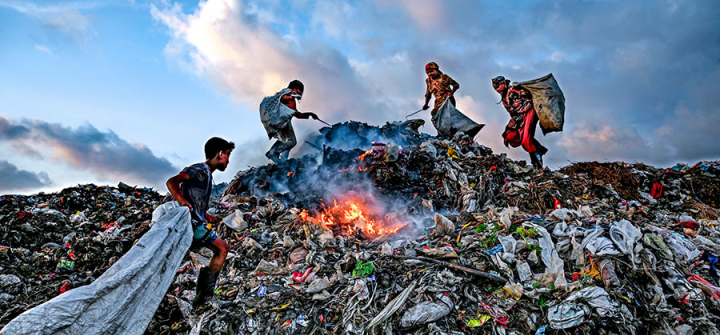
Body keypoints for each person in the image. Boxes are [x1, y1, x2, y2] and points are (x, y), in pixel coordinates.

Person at [166, 137, 234, 307]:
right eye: (227, 154)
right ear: (220, 154)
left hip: (194, 222)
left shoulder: (207, 174)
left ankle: (203, 297)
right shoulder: (200, 169)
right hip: (191, 224)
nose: (228, 159)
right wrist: (182, 201)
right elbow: (172, 181)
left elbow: (193, 196)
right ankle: (205, 298)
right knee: (222, 248)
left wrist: (205, 214)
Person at [492, 76, 548, 169]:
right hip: (518, 118)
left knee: (526, 141)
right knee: (510, 136)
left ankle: (537, 164)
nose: (497, 90)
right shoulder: (504, 99)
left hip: (529, 111)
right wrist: (509, 128)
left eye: (498, 86)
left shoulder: (514, 89)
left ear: (504, 83)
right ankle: (538, 148)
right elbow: (513, 114)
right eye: (495, 88)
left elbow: (528, 96)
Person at [260, 80, 320, 163]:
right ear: (294, 89)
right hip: (283, 122)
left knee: (284, 142)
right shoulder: (287, 95)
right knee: (292, 142)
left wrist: (309, 114)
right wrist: (290, 96)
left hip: (278, 123)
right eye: (299, 91)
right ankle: (273, 153)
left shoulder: (290, 98)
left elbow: (296, 114)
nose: (300, 93)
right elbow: (283, 98)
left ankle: (282, 161)